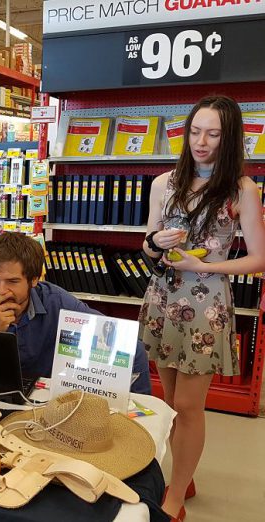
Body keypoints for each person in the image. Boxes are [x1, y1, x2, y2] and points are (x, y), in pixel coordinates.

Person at [138, 95, 265, 521]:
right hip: (163, 300)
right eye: (195, 132)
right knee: (170, 400)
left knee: (191, 406)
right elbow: (147, 244)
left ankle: (174, 497)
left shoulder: (242, 190)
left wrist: (205, 264)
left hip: (206, 307)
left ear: (229, 139)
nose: (201, 142)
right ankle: (183, 477)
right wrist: (155, 244)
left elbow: (259, 259)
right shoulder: (164, 184)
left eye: (213, 134)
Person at [0, 232, 151, 394]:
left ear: (34, 279)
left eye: (12, 282)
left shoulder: (58, 301)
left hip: (45, 406)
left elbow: (130, 347)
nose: (1, 290)